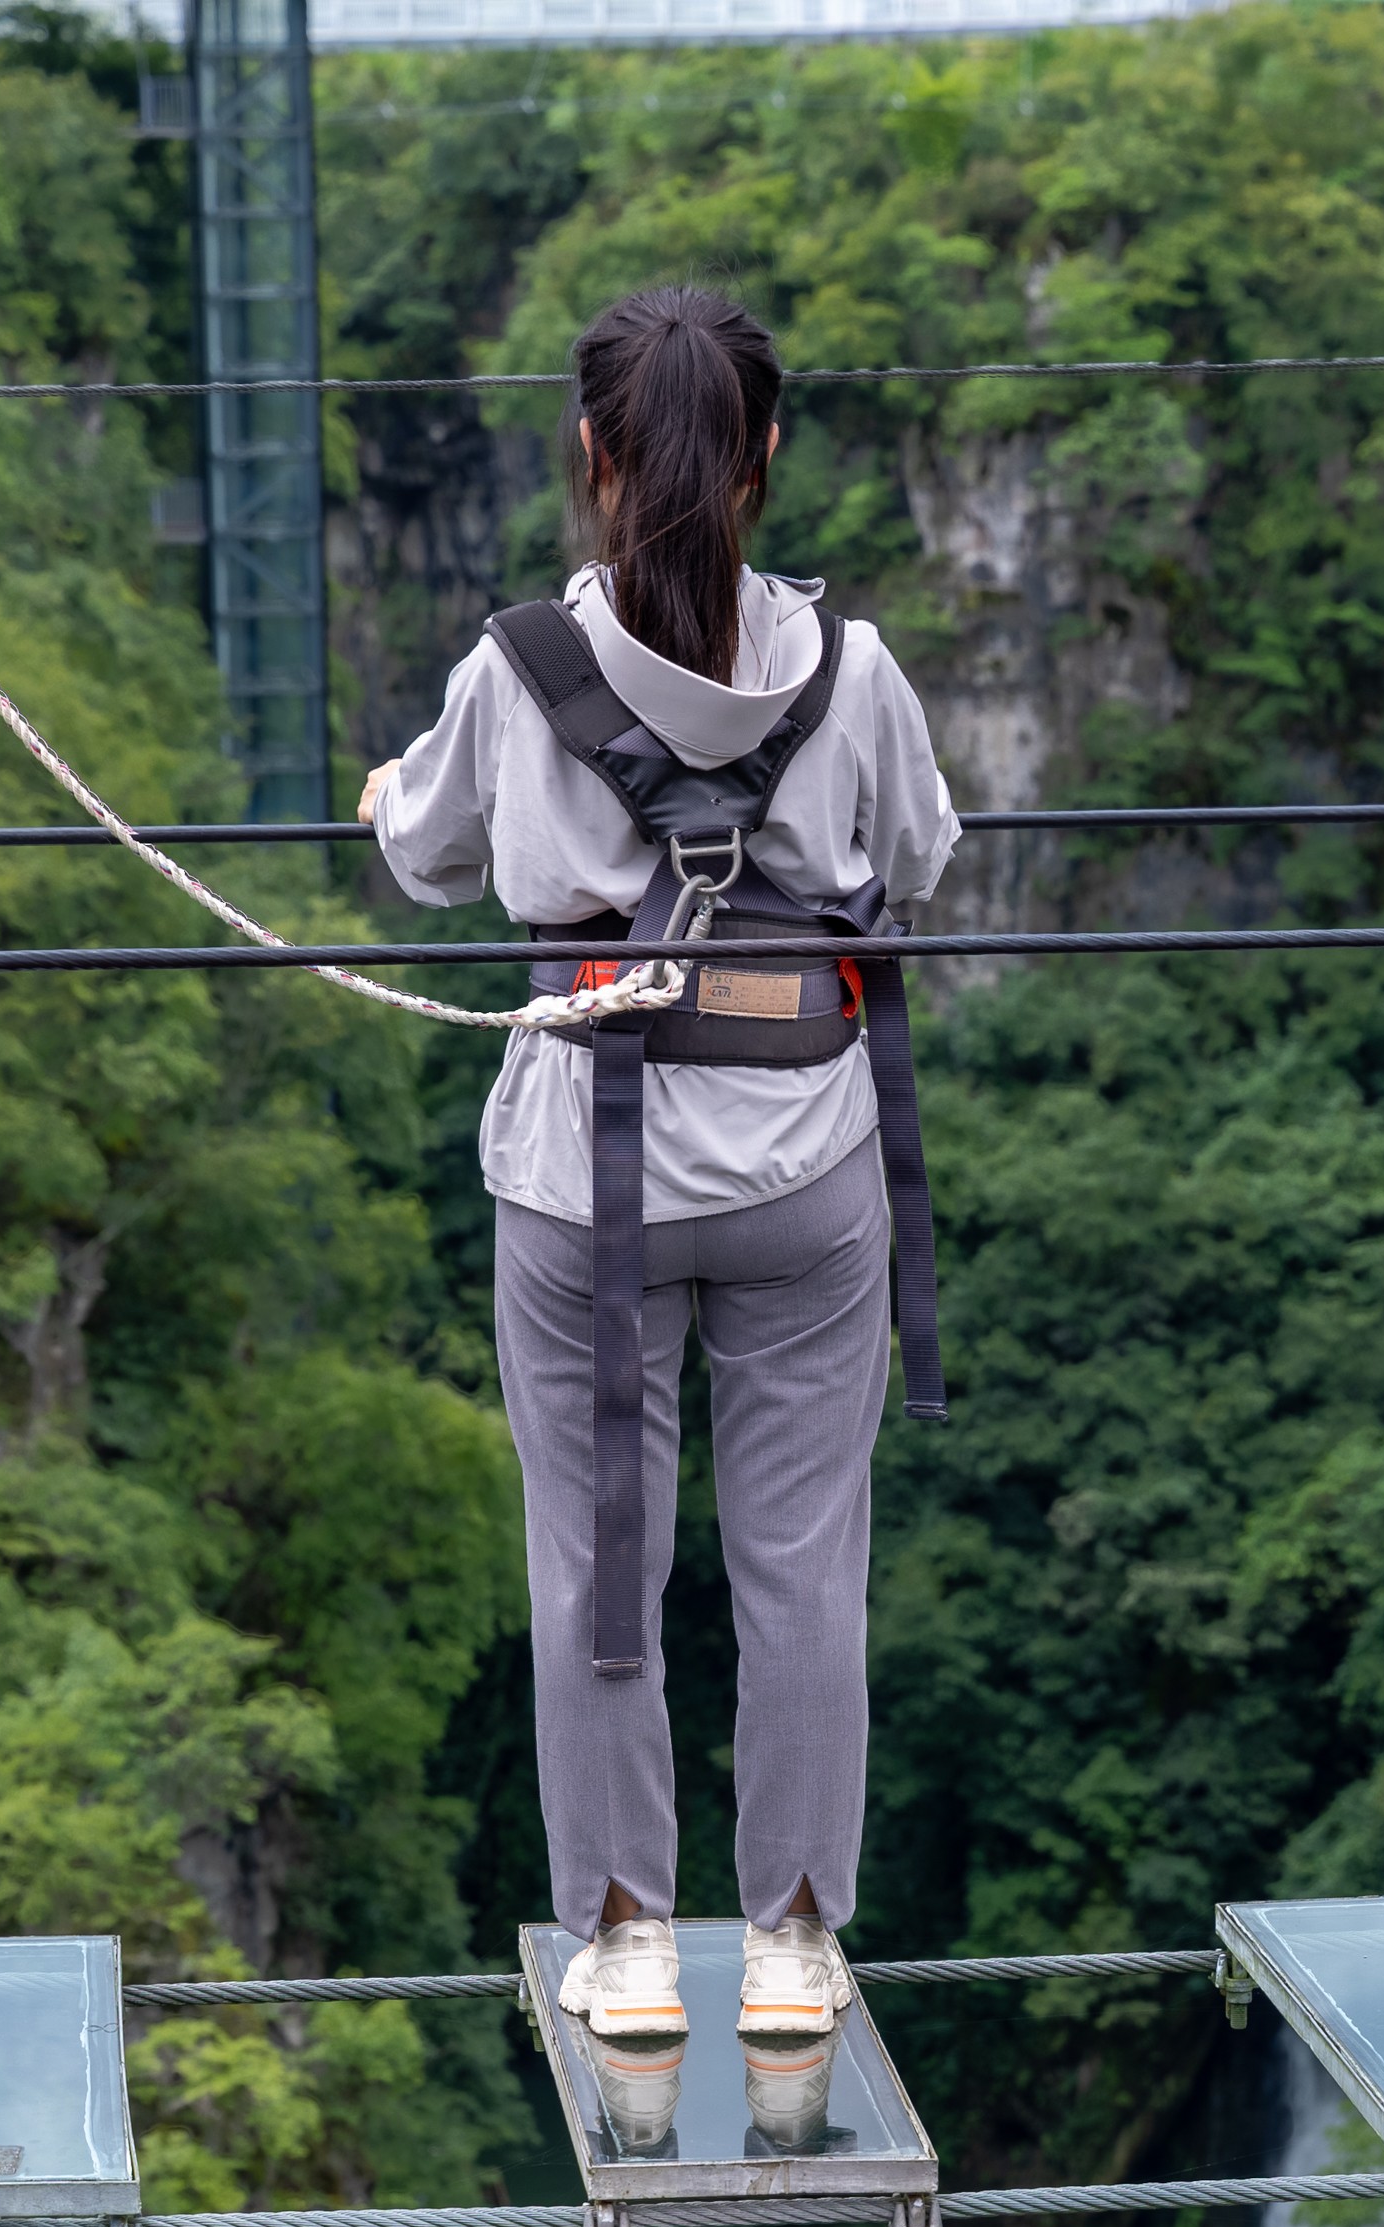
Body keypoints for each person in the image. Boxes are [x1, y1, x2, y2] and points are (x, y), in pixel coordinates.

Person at [361, 284, 958, 2043]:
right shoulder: (854, 674)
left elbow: (435, 866)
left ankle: (625, 1943)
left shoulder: (510, 672)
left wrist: (396, 794)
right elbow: (911, 857)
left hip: (580, 1184)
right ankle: (790, 1942)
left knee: (593, 1557)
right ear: (765, 454)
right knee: (802, 1565)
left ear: (592, 457)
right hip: (803, 1170)